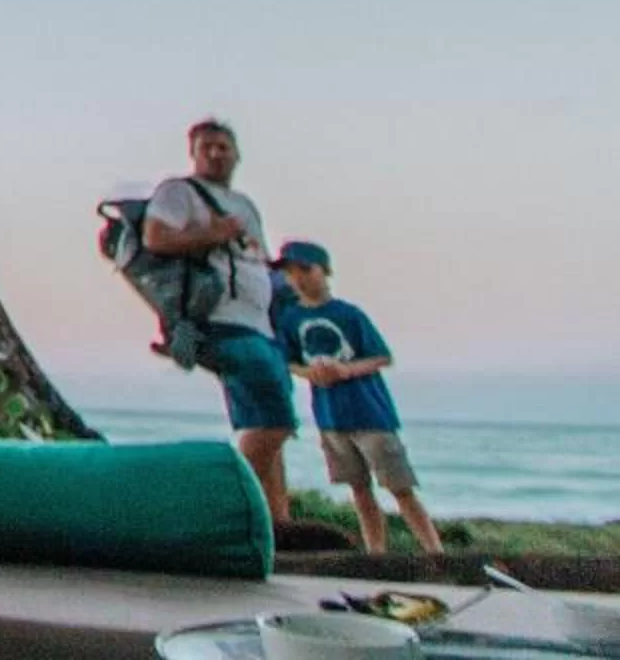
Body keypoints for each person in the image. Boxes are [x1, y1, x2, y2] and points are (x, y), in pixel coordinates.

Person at [140, 118, 294, 525]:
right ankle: (217, 511)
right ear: (192, 154)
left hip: (259, 323)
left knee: (267, 429)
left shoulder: (245, 204)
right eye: (205, 147)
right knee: (275, 424)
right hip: (221, 321)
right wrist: (213, 234)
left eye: (222, 146)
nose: (214, 153)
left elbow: (257, 259)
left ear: (237, 153)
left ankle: (276, 526)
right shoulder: (179, 193)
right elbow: (155, 238)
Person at [274, 241, 442, 555]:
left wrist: (346, 370)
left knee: (399, 486)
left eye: (306, 270)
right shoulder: (290, 318)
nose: (299, 279)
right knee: (359, 489)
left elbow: (381, 356)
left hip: (370, 414)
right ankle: (375, 552)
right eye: (291, 273)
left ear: (324, 271)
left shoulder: (349, 314)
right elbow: (288, 360)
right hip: (331, 417)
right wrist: (310, 373)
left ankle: (434, 551)